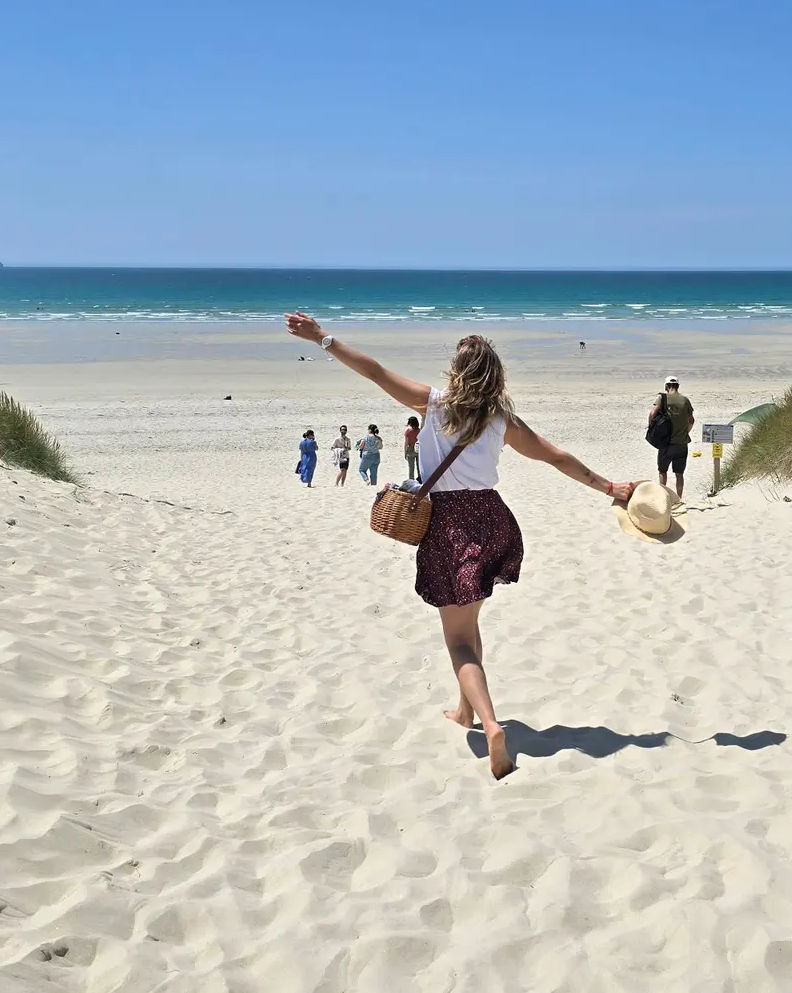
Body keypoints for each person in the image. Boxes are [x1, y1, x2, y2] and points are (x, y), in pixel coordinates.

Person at [285, 312, 634, 780]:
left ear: (458, 370)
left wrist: (323, 338)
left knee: (458, 641)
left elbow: (373, 370)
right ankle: (464, 711)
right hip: (492, 519)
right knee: (470, 623)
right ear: (495, 375)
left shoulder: (433, 405)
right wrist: (609, 487)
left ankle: (490, 725)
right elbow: (555, 457)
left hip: (449, 526)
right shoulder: (500, 420)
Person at [648, 375, 695, 496]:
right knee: (679, 474)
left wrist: (651, 428)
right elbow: (691, 421)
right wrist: (686, 432)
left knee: (663, 472)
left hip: (665, 443)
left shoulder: (662, 398)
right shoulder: (685, 400)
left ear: (666, 386)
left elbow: (652, 413)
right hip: (682, 443)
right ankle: (679, 499)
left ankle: (663, 498)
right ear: (678, 386)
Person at [403, 415, 421, 480]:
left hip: (410, 448)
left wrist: (405, 452)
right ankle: (420, 479)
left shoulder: (408, 430)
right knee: (419, 467)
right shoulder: (419, 430)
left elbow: (406, 442)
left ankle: (411, 480)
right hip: (418, 448)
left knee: (411, 467)